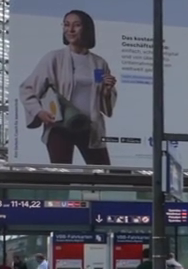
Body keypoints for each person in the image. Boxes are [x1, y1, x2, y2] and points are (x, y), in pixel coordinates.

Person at [19, 9, 117, 165]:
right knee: (62, 172)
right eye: (66, 25)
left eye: (76, 25)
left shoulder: (99, 63)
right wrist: (39, 112)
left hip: (89, 127)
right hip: (60, 126)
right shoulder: (54, 58)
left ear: (87, 28)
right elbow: (27, 89)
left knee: (103, 171)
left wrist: (106, 92)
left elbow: (104, 105)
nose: (70, 30)